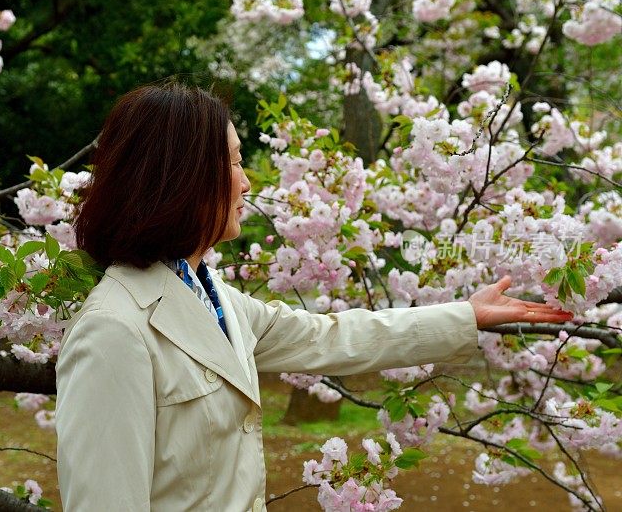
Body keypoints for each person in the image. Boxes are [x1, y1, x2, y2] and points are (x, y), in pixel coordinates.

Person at [54, 83, 573, 511]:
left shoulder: (219, 302)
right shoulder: (114, 330)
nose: (248, 182)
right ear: (182, 175)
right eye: (235, 163)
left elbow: (334, 337)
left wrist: (465, 316)